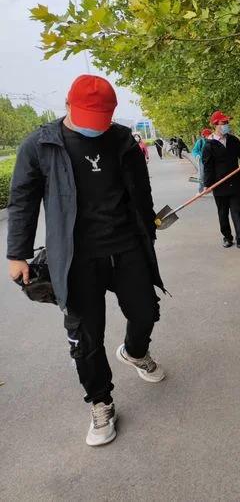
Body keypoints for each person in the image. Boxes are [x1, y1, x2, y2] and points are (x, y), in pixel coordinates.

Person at [6, 75, 167, 447]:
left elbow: (140, 190)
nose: (95, 128)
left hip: (126, 247)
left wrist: (150, 226)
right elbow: (23, 200)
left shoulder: (123, 139)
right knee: (86, 336)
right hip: (76, 258)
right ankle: (100, 401)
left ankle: (135, 351)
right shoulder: (41, 144)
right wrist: (17, 253)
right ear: (68, 106)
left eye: (102, 121)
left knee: (145, 312)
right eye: (87, 120)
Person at [202, 110, 240, 249]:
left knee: (237, 211)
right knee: (223, 213)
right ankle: (227, 237)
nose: (226, 125)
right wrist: (207, 185)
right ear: (215, 125)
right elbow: (207, 167)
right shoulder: (209, 145)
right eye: (223, 122)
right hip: (219, 186)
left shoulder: (233, 140)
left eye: (227, 122)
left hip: (235, 182)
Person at [192, 128, 212, 192]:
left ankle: (210, 188)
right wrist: (197, 155)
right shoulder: (200, 142)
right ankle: (200, 190)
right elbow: (195, 150)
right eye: (207, 135)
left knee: (211, 174)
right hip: (202, 161)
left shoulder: (213, 141)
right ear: (203, 135)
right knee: (202, 175)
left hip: (211, 161)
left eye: (209, 135)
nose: (208, 136)